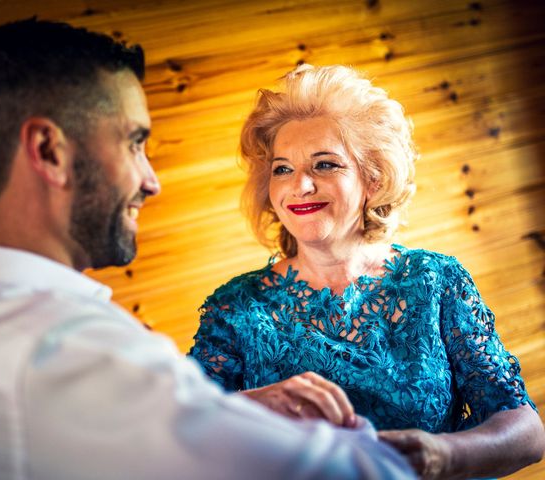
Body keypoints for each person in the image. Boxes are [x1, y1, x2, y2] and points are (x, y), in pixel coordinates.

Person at [0, 20, 414, 480]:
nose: (152, 182)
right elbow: (361, 474)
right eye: (133, 143)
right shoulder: (71, 348)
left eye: (325, 165)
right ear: (49, 151)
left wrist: (233, 411)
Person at [189, 64, 545, 479]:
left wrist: (442, 455)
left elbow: (527, 432)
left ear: (372, 180)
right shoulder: (235, 308)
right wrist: (247, 405)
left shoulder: (435, 281)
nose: (299, 186)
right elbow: (177, 428)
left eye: (325, 165)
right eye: (282, 169)